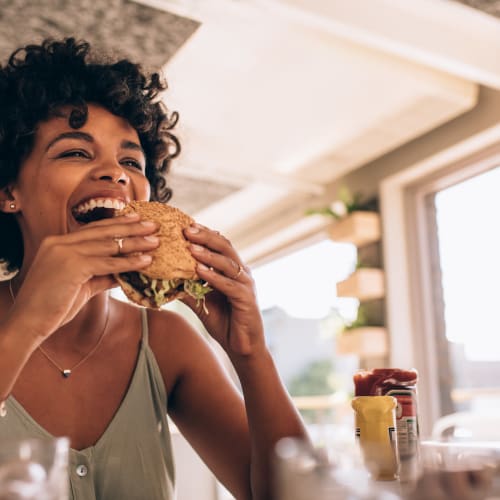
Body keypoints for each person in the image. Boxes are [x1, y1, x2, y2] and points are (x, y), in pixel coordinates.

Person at [0, 38, 308, 500]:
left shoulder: (167, 342)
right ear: (8, 192)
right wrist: (25, 328)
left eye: (130, 161)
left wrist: (251, 354)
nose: (116, 173)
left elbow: (294, 495)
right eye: (75, 152)